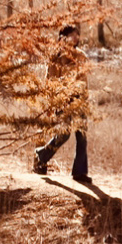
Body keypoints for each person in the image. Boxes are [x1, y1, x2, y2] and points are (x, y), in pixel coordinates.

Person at [33, 24, 91, 181]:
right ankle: (41, 155)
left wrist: (85, 100)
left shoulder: (81, 56)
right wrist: (53, 103)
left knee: (82, 136)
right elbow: (50, 81)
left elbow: (84, 80)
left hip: (79, 100)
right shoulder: (55, 57)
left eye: (77, 35)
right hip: (63, 100)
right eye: (72, 35)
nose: (75, 38)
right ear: (62, 37)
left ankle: (80, 172)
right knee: (63, 135)